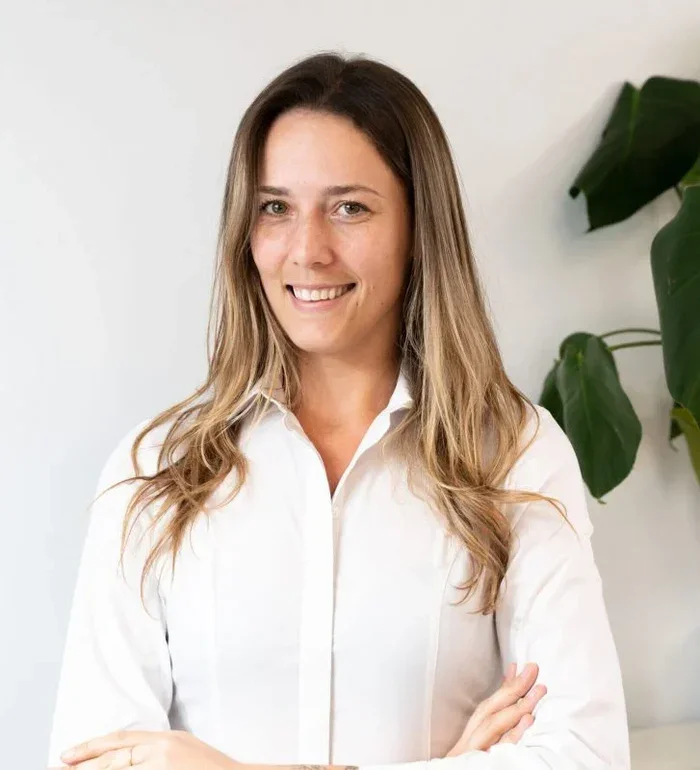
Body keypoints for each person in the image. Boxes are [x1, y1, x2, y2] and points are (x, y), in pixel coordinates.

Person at [46, 51, 630, 770]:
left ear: (420, 228)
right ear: (245, 232)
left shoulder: (514, 454)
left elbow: (584, 755)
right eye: (275, 208)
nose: (307, 250)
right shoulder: (156, 471)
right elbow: (90, 762)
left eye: (350, 208)